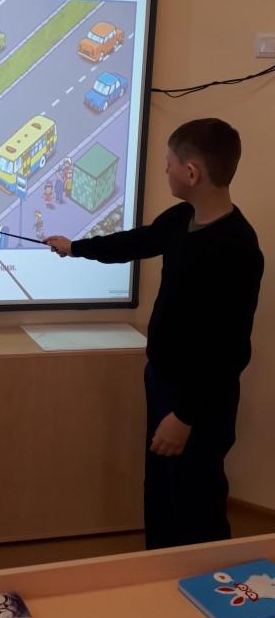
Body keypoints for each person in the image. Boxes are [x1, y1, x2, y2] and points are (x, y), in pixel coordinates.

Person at [44, 119, 264, 550]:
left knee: (195, 500)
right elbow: (138, 242)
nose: (166, 171)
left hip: (198, 401)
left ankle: (203, 578)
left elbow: (229, 351)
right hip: (163, 380)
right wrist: (76, 248)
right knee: (162, 494)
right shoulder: (183, 218)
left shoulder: (237, 248)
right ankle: (160, 569)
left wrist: (184, 417)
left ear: (191, 173)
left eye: (169, 164)